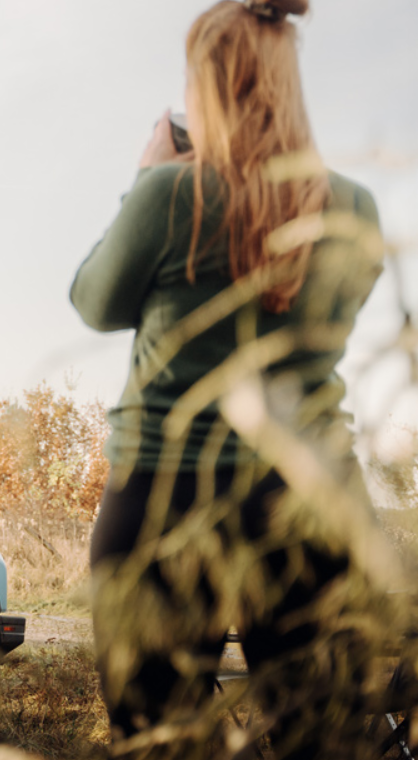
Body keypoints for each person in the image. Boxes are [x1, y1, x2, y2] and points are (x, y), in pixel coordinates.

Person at [71, 1, 392, 757]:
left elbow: (96, 302)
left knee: (159, 741)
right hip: (309, 496)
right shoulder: (357, 206)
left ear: (207, 87)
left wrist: (147, 179)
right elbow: (341, 312)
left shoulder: (168, 194)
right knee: (324, 740)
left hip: (163, 498)